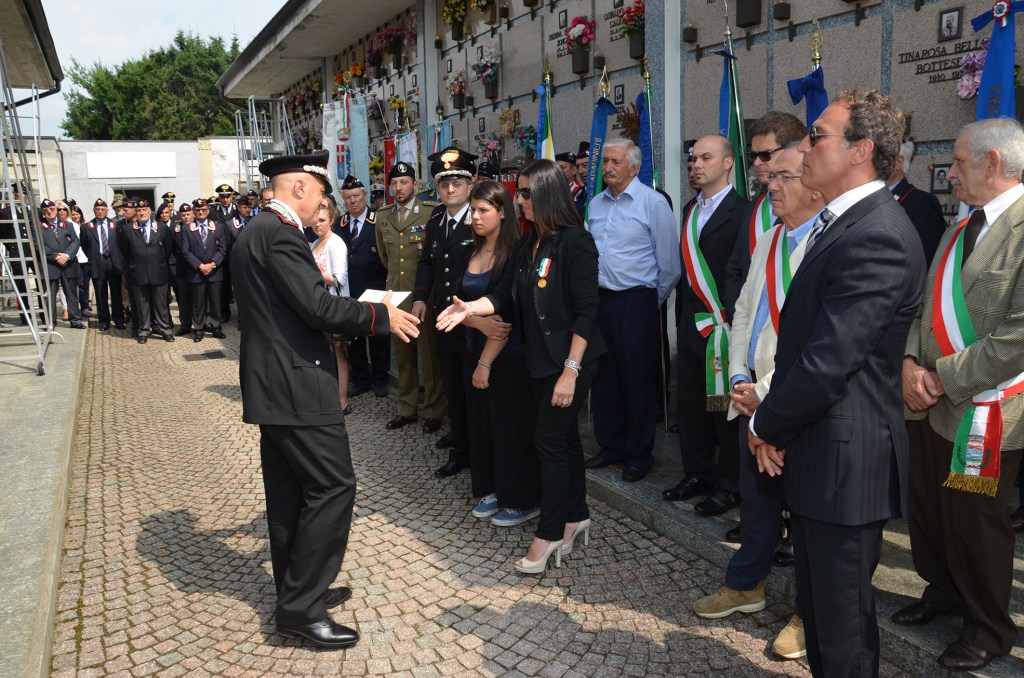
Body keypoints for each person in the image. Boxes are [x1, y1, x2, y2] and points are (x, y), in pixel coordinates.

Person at [748, 89, 924, 677]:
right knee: (823, 622)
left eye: (817, 135)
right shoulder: (845, 222)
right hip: (821, 453)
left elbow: (829, 361)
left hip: (847, 466)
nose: (803, 147)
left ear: (861, 151)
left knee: (843, 631)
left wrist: (765, 424)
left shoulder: (877, 233)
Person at [230, 150, 419, 649]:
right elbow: (317, 307)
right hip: (298, 385)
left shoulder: (257, 230)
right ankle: (300, 609)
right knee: (334, 487)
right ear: (299, 188)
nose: (323, 204)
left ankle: (298, 590)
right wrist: (381, 317)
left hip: (276, 385)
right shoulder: (280, 235)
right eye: (319, 193)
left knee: (291, 495)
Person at [436, 159, 606, 574]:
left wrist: (570, 371)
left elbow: (587, 312)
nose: (520, 201)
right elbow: (504, 296)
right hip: (540, 360)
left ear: (547, 194)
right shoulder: (530, 242)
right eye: (519, 193)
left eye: (526, 193)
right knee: (564, 440)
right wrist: (469, 309)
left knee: (547, 441)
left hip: (572, 361)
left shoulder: (576, 242)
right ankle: (576, 514)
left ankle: (549, 533)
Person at [898, 117, 1024, 672]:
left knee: (975, 521)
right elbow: (925, 305)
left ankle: (988, 627)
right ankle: (943, 592)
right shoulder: (960, 226)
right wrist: (908, 363)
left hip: (990, 409)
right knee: (929, 509)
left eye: (957, 161)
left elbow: (1018, 336)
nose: (949, 172)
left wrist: (941, 377)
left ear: (992, 163)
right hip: (928, 400)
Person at [691, 146, 820, 661]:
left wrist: (763, 393)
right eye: (770, 175)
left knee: (809, 518)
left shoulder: (828, 243)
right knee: (758, 502)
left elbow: (816, 342)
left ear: (814, 183)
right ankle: (746, 585)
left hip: (795, 401)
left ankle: (811, 613)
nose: (770, 183)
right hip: (752, 396)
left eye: (784, 175)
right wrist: (740, 378)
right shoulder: (770, 237)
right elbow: (743, 312)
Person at [583, 139, 681, 482]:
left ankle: (639, 453)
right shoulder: (596, 204)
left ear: (634, 167)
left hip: (637, 301)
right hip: (601, 301)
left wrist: (647, 304)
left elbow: (670, 265)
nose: (607, 167)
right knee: (605, 377)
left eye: (615, 161)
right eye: (605, 161)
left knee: (637, 379)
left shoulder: (652, 203)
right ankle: (611, 445)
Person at [663, 135, 749, 516]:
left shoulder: (744, 212)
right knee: (692, 405)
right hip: (690, 327)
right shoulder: (689, 209)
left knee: (725, 411)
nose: (696, 165)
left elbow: (742, 271)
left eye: (705, 158)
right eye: (693, 158)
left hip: (724, 328)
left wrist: (730, 320)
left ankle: (729, 486)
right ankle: (697, 473)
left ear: (728, 163)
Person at [462, 180, 539, 527]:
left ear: (503, 212)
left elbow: (505, 318)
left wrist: (485, 363)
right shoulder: (471, 250)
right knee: (483, 426)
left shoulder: (516, 252)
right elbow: (459, 305)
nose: (476, 217)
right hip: (473, 346)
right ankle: (492, 488)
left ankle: (522, 498)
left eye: (483, 210)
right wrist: (475, 322)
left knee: (510, 427)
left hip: (507, 356)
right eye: (473, 210)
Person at [415, 147, 479, 479]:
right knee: (452, 384)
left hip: (473, 321)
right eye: (444, 184)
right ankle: (460, 437)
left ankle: (470, 450)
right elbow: (427, 262)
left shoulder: (480, 219)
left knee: (471, 388)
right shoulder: (436, 221)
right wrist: (420, 298)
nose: (450, 189)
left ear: (471, 184)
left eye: (457, 182)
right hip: (444, 318)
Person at [375, 162, 447, 433]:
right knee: (404, 355)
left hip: (425, 296)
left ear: (415, 184)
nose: (399, 188)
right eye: (394, 183)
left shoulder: (430, 211)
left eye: (404, 182)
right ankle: (406, 408)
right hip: (397, 295)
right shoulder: (383, 216)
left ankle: (433, 410)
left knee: (429, 356)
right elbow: (385, 257)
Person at [337, 175, 390, 400]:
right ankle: (361, 380)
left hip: (375, 288)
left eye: (356, 196)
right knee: (355, 339)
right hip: (350, 291)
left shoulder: (378, 221)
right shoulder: (338, 224)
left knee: (379, 337)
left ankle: (380, 380)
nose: (353, 201)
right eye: (348, 197)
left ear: (365, 195)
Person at [311, 195, 352, 413]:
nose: (318, 225)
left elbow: (340, 279)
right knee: (324, 353)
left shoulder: (336, 243)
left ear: (331, 220)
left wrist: (313, 274)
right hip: (318, 305)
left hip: (334, 305)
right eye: (315, 221)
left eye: (322, 221)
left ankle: (342, 401)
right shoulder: (315, 243)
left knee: (338, 353)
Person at [119, 199, 175, 344]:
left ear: (150, 211)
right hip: (138, 272)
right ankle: (143, 330)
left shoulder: (161, 227)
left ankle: (165, 329)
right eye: (139, 210)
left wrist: (157, 261)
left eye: (144, 210)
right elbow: (124, 251)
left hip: (158, 271)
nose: (142, 213)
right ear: (136, 212)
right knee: (141, 304)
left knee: (161, 304)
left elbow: (168, 249)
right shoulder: (128, 229)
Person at [887, 140, 947, 266]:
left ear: (898, 162)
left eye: (878, 158)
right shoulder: (871, 198)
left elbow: (926, 259)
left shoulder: (922, 203)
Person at [179, 198, 227, 342]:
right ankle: (199, 329)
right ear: (193, 211)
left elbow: (223, 250)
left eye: (204, 209)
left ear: (208, 210)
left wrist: (212, 265)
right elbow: (185, 251)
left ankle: (216, 327)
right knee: (198, 303)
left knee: (215, 302)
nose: (201, 212)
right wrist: (200, 266)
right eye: (198, 210)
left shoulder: (218, 227)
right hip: (196, 272)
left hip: (215, 272)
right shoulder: (187, 229)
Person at [79, 198, 124, 331]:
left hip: (113, 262)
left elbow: (121, 244)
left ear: (107, 211)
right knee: (100, 293)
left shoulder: (116, 225)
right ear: (94, 211)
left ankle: (119, 319)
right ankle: (104, 321)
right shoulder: (87, 227)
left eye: (102, 209)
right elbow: (84, 246)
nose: (100, 212)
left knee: (116, 293)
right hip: (97, 262)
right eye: (97, 209)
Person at [39, 199, 84, 329]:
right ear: (42, 212)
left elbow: (75, 241)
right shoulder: (38, 226)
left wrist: (66, 256)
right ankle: (50, 323)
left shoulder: (67, 225)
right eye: (46, 210)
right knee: (49, 296)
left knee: (71, 294)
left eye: (52, 209)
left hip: (68, 264)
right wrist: (56, 257)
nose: (49, 212)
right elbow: (38, 245)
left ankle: (75, 320)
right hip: (50, 265)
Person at [171, 203, 195, 336]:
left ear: (192, 214)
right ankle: (185, 325)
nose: (186, 217)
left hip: (196, 268)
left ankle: (199, 324)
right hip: (181, 269)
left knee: (198, 299)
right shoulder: (175, 229)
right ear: (180, 215)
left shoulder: (197, 226)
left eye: (188, 214)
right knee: (183, 299)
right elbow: (171, 248)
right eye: (183, 215)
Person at [67, 203, 93, 318]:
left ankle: (85, 305)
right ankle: (80, 306)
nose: (75, 216)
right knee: (79, 284)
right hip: (76, 258)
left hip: (86, 258)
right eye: (73, 214)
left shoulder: (85, 225)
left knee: (86, 284)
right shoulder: (70, 225)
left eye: (77, 214)